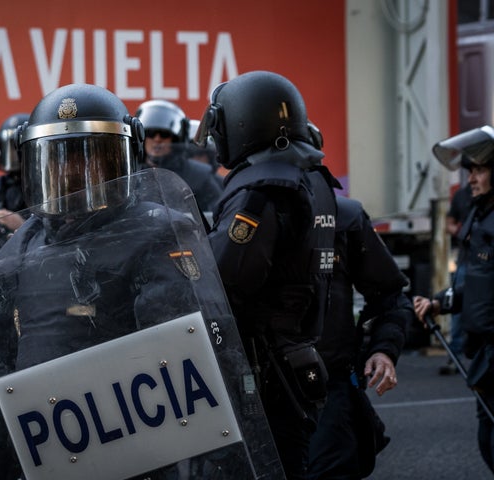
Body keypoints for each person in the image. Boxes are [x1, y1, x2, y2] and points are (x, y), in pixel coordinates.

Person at [0, 83, 273, 479]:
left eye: (92, 160)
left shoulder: (158, 231)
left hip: (136, 444)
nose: (74, 173)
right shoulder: (24, 242)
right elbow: (8, 367)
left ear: (125, 160)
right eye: (58, 161)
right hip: (50, 445)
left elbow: (192, 355)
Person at [195, 70, 340, 480]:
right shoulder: (305, 177)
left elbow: (222, 281)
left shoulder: (260, 193)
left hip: (265, 374)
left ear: (242, 123)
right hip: (292, 359)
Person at [304, 124, 411, 479]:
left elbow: (390, 296)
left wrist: (383, 349)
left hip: (329, 385)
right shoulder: (244, 216)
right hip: (258, 391)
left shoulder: (345, 218)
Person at [413, 124, 494, 474]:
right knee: (488, 442)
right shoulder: (482, 215)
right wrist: (439, 302)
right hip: (484, 354)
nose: (471, 178)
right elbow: (478, 283)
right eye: (470, 170)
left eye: (479, 169)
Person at [135, 99, 223, 217]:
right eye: (150, 133)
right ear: (142, 138)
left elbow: (219, 216)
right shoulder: (130, 174)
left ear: (177, 138)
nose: (157, 139)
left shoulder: (198, 176)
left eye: (165, 134)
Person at [439, 182, 473, 375]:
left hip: (485, 262)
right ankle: (455, 355)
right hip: (466, 261)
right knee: (456, 308)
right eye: (471, 171)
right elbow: (449, 223)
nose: (473, 178)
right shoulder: (462, 195)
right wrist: (462, 233)